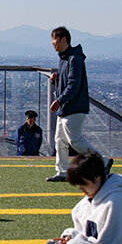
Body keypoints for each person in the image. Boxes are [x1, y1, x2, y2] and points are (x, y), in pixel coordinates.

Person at [46, 26, 111, 182]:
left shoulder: (74, 58)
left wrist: (59, 100)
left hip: (73, 107)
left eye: (54, 40)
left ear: (63, 39)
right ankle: (62, 171)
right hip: (67, 107)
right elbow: (68, 82)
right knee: (60, 140)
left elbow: (73, 85)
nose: (53, 44)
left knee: (74, 140)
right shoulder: (65, 58)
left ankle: (103, 161)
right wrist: (56, 80)